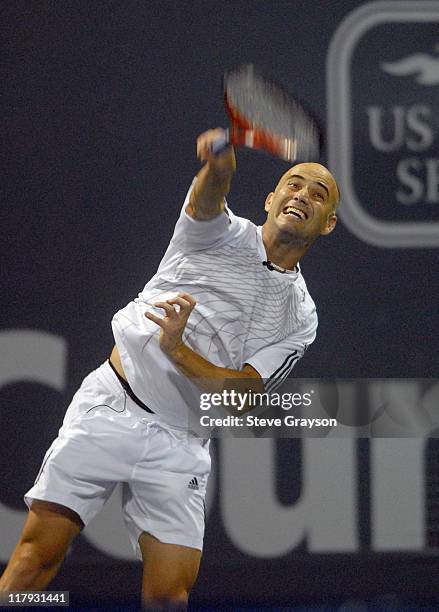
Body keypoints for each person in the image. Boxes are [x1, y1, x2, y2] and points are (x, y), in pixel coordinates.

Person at [0, 127, 339, 609]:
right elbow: (212, 190)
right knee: (32, 571)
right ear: (269, 199)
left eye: (318, 193)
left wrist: (177, 347)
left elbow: (241, 395)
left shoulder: (301, 317)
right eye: (294, 183)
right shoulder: (218, 233)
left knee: (168, 598)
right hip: (113, 407)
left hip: (181, 442)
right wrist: (221, 159)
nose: (303, 194)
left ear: (327, 223)